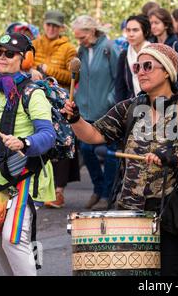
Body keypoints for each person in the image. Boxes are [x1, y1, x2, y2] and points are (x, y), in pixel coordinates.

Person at [61, 43, 178, 276]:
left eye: (147, 66)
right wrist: (75, 120)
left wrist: (172, 159)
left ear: (166, 71)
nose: (140, 71)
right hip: (132, 212)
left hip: (172, 216)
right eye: (137, 66)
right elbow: (94, 135)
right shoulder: (129, 108)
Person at [0, 33, 56, 275]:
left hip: (23, 175)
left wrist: (24, 142)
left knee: (13, 239)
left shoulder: (32, 93)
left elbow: (47, 135)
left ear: (25, 60)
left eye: (9, 53)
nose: (2, 58)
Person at [31, 10, 79, 208]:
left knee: (60, 143)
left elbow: (73, 77)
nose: (51, 28)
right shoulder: (33, 44)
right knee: (38, 143)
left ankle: (58, 192)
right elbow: (26, 66)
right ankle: (37, 189)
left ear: (61, 28)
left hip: (59, 102)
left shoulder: (69, 48)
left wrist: (47, 70)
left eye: (55, 26)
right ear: (44, 25)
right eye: (48, 25)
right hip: (35, 98)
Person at [71, 15, 120, 211]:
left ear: (92, 32)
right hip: (86, 110)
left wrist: (110, 101)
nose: (79, 41)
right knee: (86, 150)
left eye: (82, 37)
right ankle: (98, 189)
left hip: (106, 112)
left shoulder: (109, 48)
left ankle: (107, 194)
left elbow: (119, 80)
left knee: (110, 155)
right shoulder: (82, 50)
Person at [116, 15, 152, 101]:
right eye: (128, 30)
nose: (131, 34)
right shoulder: (124, 55)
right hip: (132, 105)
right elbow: (120, 86)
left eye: (135, 30)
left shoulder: (154, 53)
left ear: (145, 32)